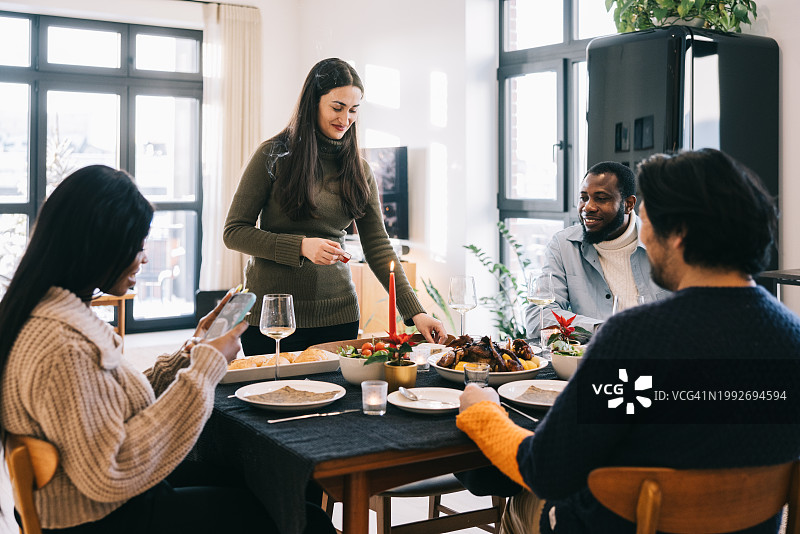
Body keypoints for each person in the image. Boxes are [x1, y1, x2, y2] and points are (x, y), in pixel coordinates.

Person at [458, 148, 800, 533]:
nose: (645, 237)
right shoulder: (792, 337)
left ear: (679, 235)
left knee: (521, 505)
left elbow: (546, 469)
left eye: (648, 221)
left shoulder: (635, 337)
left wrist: (481, 409)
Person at [0, 166, 335, 534]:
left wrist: (190, 355)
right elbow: (110, 472)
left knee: (273, 484)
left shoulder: (52, 315)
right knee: (304, 518)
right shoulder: (62, 345)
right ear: (99, 245)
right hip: (106, 518)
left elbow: (106, 402)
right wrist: (205, 368)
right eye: (138, 244)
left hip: (105, 507)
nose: (144, 258)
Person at [224, 57, 446, 355]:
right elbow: (234, 232)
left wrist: (415, 311)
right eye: (337, 107)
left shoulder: (359, 168)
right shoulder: (272, 155)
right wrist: (301, 247)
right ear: (313, 103)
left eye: (354, 109)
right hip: (273, 317)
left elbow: (378, 245)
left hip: (338, 316)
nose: (346, 118)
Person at [524, 161, 669, 338]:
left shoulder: (666, 244)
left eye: (601, 198)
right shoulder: (564, 245)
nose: (588, 207)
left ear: (628, 204)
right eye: (584, 198)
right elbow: (538, 317)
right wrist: (601, 329)